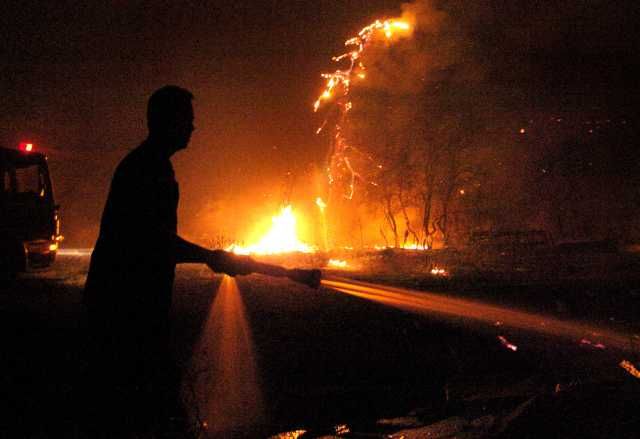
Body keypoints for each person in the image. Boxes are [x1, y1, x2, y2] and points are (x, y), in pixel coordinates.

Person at [82, 85, 251, 434]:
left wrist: (211, 257)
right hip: (126, 309)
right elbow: (154, 241)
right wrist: (211, 257)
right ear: (168, 122)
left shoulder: (147, 166)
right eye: (187, 119)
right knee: (146, 406)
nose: (193, 127)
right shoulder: (150, 171)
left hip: (126, 305)